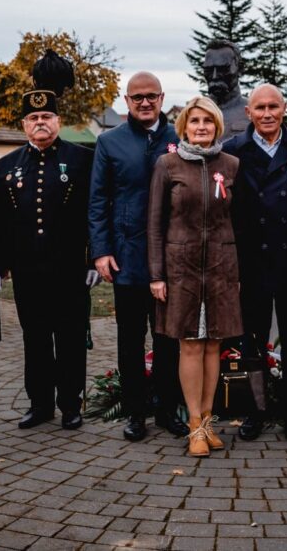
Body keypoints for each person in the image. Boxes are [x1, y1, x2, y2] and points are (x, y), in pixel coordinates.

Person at [0, 50, 97, 430]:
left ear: (58, 120)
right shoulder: (7, 165)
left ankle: (71, 405)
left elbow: (93, 213)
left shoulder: (82, 159)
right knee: (35, 341)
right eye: (33, 118)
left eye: (46, 117)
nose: (40, 123)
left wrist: (93, 258)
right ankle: (40, 405)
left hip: (69, 269)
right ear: (23, 124)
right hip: (28, 271)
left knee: (68, 340)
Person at [224, 84, 287, 443]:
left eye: (273, 107)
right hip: (250, 262)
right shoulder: (233, 151)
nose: (267, 114)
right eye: (259, 108)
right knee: (251, 341)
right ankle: (254, 411)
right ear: (248, 113)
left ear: (284, 109)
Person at [89, 72, 188, 441]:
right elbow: (97, 201)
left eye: (151, 96)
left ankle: (167, 410)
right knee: (130, 341)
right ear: (126, 101)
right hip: (127, 258)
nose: (144, 103)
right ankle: (135, 413)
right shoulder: (109, 142)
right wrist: (101, 251)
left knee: (168, 341)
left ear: (162, 98)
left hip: (172, 258)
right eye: (137, 98)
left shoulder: (179, 138)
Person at [148, 96, 243, 457]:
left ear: (217, 126)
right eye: (194, 121)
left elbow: (239, 221)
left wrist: (238, 272)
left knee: (214, 344)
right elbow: (154, 224)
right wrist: (157, 274)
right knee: (189, 343)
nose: (200, 127)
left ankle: (207, 419)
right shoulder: (167, 164)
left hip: (220, 268)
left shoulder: (231, 165)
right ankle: (194, 424)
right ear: (184, 126)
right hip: (180, 270)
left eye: (207, 121)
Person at [202, 39, 250, 140]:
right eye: (209, 70)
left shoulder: (254, 112)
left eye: (223, 69)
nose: (214, 76)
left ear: (240, 69)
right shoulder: (193, 113)